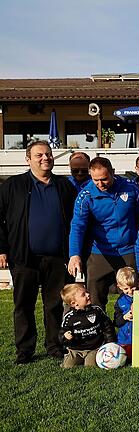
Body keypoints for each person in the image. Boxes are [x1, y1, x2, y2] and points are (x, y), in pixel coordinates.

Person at [0, 140, 78, 364]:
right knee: (23, 305)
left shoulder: (64, 186)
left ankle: (55, 346)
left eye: (48, 154)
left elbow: (76, 221)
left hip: (57, 257)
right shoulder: (12, 185)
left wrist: (73, 253)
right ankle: (24, 350)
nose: (45, 158)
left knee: (54, 304)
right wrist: (2, 249)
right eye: (39, 155)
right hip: (24, 257)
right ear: (28, 159)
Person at [68, 156, 139, 309]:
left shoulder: (130, 188)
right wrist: (74, 254)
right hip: (99, 253)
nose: (100, 184)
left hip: (129, 250)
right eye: (96, 180)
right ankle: (99, 332)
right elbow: (77, 226)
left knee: (136, 297)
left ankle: (131, 331)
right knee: (94, 301)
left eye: (104, 179)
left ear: (113, 172)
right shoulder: (85, 195)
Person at [59, 283, 116, 368]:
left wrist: (110, 342)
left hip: (93, 348)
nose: (88, 294)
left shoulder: (97, 310)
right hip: (75, 349)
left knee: (90, 366)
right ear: (74, 303)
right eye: (83, 295)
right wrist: (65, 337)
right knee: (67, 366)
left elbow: (107, 326)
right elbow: (62, 334)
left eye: (87, 292)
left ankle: (89, 358)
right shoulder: (69, 317)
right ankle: (71, 357)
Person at [113, 267, 136, 359]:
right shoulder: (120, 302)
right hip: (124, 339)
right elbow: (116, 322)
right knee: (124, 356)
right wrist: (124, 317)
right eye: (126, 288)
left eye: (133, 287)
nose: (130, 291)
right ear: (120, 287)